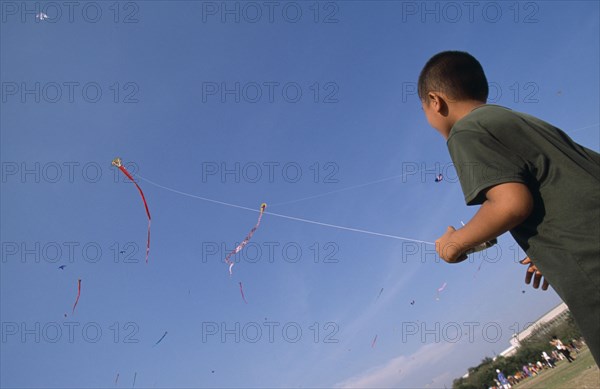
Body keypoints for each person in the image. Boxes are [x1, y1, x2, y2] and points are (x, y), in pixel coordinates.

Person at [418, 51, 600, 367]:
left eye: (424, 110)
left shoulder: (466, 131)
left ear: (436, 101)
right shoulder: (516, 120)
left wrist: (455, 243)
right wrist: (551, 250)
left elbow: (511, 203)